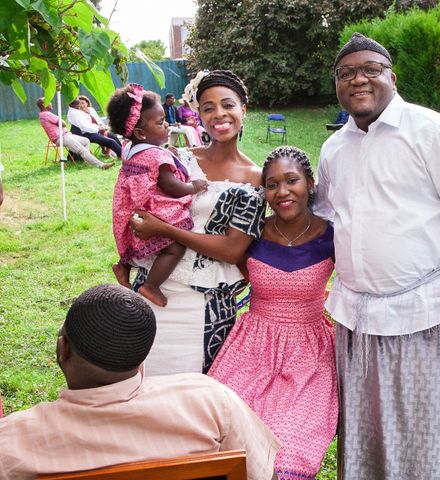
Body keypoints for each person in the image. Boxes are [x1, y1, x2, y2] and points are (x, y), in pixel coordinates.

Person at [315, 33, 440, 479]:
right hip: (356, 319)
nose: (358, 79)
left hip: (427, 313)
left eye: (370, 70)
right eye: (346, 73)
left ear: (391, 78)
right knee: (367, 434)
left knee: (430, 434)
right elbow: (323, 220)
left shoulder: (432, 131)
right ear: (337, 85)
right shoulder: (333, 149)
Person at [0, 284, 281, 480]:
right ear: (142, 358)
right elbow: (265, 475)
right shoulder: (211, 403)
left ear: (64, 350)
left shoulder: (12, 441)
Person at [209, 146, 338, 480]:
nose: (281, 192)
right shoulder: (253, 232)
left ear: (310, 183)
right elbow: (233, 260)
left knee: (290, 450)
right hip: (252, 347)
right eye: (271, 184)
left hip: (309, 353)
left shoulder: (332, 235)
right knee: (227, 441)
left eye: (291, 180)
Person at [127, 70, 265, 376]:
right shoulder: (175, 159)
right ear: (198, 115)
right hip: (153, 286)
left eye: (228, 105)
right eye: (208, 107)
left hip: (206, 300)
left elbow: (232, 249)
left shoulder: (256, 177)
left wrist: (164, 229)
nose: (219, 114)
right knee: (145, 383)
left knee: (195, 393)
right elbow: (139, 204)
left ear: (244, 109)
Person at [108, 84, 208, 307]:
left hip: (132, 208)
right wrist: (194, 186)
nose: (167, 126)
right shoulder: (155, 156)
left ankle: (123, 265)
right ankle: (152, 286)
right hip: (154, 209)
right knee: (175, 247)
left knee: (134, 242)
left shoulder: (130, 150)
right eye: (160, 122)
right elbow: (172, 187)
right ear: (141, 133)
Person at [37, 98, 115, 170]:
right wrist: (59, 119)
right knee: (82, 150)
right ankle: (101, 165)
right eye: (49, 101)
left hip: (65, 136)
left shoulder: (42, 115)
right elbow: (63, 123)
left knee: (86, 140)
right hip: (61, 137)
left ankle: (87, 161)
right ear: (44, 105)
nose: (51, 103)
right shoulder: (47, 114)